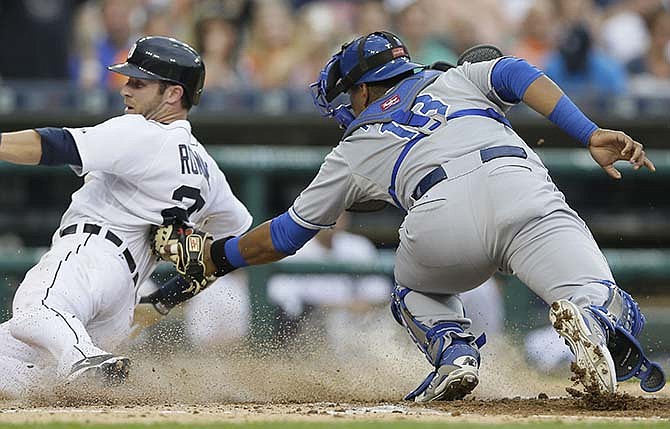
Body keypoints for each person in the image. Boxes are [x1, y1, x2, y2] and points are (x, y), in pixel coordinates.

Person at [152, 31, 665, 401]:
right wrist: (588, 132)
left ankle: (454, 350)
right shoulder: (459, 77)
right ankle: (592, 321)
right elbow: (514, 71)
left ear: (362, 88)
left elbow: (286, 235)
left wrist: (217, 256)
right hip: (523, 189)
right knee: (600, 294)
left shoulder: (354, 146)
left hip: (441, 215)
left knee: (416, 290)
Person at [0, 36, 252, 398]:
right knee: (30, 368)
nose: (126, 90)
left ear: (173, 94)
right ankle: (80, 371)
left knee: (34, 308)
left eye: (138, 83)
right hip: (124, 298)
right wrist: (166, 298)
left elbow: (54, 145)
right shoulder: (207, 170)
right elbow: (237, 246)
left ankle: (86, 359)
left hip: (89, 255)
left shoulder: (142, 131)